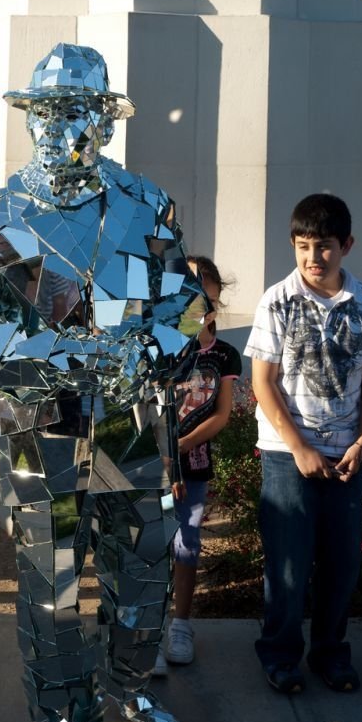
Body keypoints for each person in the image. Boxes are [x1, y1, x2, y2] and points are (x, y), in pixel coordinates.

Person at [0, 43, 207, 722]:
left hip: (128, 424)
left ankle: (125, 687)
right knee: (53, 586)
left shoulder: (143, 206)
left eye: (75, 115)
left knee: (146, 569)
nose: (58, 131)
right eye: (46, 116)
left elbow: (185, 309)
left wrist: (149, 351)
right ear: (29, 121)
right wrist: (66, 357)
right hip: (41, 434)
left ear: (105, 123)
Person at [244, 193, 362, 695]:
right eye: (304, 246)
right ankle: (281, 656)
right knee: (288, 562)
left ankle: (331, 654)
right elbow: (262, 384)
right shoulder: (276, 300)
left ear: (347, 245)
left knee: (341, 563)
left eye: (325, 246)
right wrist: (299, 447)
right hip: (287, 456)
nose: (314, 258)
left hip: (346, 456)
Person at [154, 256, 242, 674]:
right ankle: (146, 630)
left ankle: (180, 625)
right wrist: (165, 457)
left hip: (194, 465)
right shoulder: (158, 349)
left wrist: (182, 447)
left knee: (186, 545)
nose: (197, 309)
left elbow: (221, 415)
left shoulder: (225, 355)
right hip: (153, 465)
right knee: (149, 544)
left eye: (206, 299)